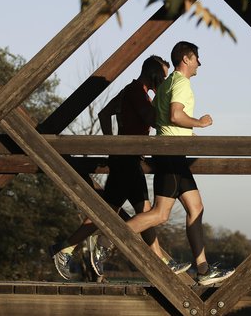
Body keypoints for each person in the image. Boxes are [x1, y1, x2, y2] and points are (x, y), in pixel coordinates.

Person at [93, 41, 234, 286]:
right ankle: (107, 239)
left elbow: (160, 118)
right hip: (170, 153)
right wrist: (199, 123)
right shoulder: (180, 83)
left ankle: (203, 270)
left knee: (196, 207)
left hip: (171, 152)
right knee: (159, 214)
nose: (200, 63)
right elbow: (175, 115)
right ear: (187, 59)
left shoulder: (167, 84)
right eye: (197, 58)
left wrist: (184, 134)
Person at [49, 55, 190, 280]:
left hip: (124, 158)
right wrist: (166, 101)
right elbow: (152, 119)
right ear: (154, 75)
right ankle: (96, 246)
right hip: (127, 159)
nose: (163, 81)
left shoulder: (128, 91)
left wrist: (111, 144)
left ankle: (65, 248)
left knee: (112, 212)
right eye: (162, 77)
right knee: (144, 212)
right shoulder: (137, 92)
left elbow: (105, 113)